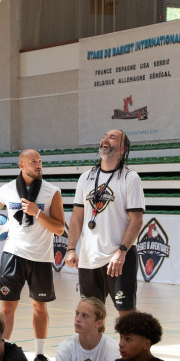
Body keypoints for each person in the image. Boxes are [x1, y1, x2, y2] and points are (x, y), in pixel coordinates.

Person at [0, 149, 65, 361]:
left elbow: (60, 229)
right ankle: (0, 354)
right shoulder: (7, 190)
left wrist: (38, 213)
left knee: (40, 307)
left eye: (40, 161)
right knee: (7, 307)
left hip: (40, 257)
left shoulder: (52, 192)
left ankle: (39, 356)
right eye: (33, 161)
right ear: (21, 165)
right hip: (13, 254)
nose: (38, 164)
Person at [65, 129, 145, 316]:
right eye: (104, 136)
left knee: (126, 314)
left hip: (118, 258)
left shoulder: (130, 178)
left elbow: (137, 220)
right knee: (90, 315)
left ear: (123, 148)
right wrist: (71, 248)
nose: (105, 140)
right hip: (89, 258)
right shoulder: (86, 177)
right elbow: (77, 216)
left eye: (112, 137)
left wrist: (122, 251)